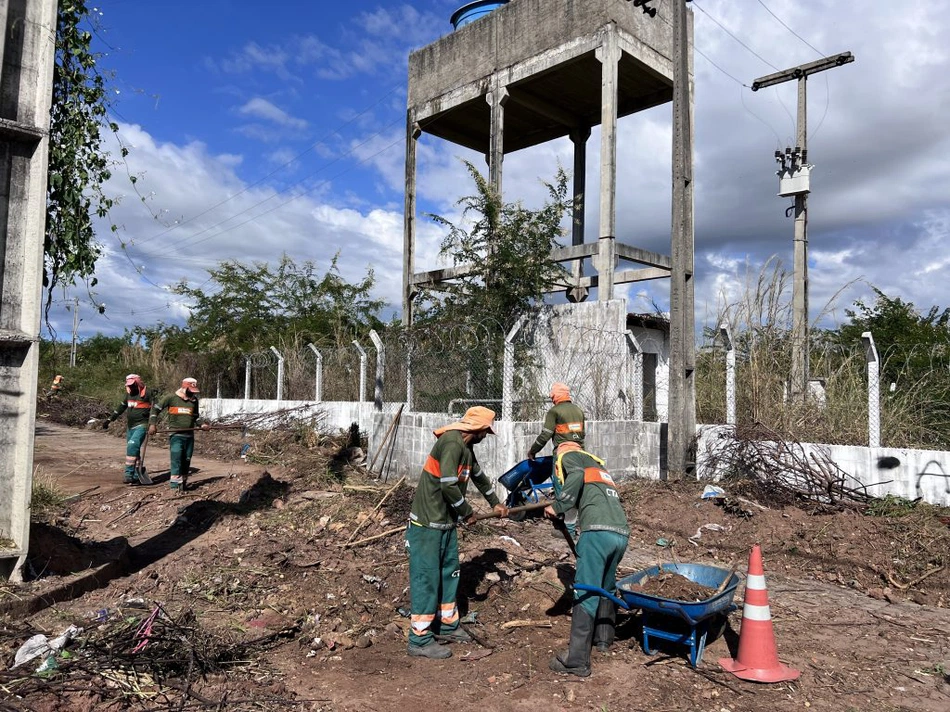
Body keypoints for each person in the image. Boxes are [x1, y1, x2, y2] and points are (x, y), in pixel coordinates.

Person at [406, 406, 508, 659]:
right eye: (486, 431)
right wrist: (467, 511)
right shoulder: (451, 443)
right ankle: (419, 639)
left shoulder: (466, 448)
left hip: (445, 524)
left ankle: (448, 624)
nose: (487, 435)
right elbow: (448, 485)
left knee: (449, 573)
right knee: (427, 579)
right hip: (427, 524)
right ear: (478, 429)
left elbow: (480, 477)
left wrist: (495, 502)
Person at [544, 444, 629, 677]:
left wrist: (558, 505)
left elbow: (576, 479)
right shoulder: (597, 466)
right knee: (605, 585)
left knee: (585, 591)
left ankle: (577, 660)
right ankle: (603, 639)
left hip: (596, 535)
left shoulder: (569, 457)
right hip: (620, 534)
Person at [527, 382, 585, 535]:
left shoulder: (554, 411)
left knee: (561, 488)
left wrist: (533, 451)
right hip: (579, 452)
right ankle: (574, 525)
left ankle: (565, 528)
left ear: (555, 395)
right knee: (574, 488)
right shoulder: (578, 410)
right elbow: (582, 435)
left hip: (562, 454)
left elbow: (545, 434)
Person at [148, 377, 209, 491]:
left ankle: (183, 484)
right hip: (176, 435)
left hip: (189, 436)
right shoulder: (171, 398)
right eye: (190, 390)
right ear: (184, 388)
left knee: (186, 459)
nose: (192, 393)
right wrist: (152, 424)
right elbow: (155, 410)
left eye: (193, 391)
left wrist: (202, 425)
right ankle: (175, 487)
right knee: (177, 458)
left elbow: (196, 417)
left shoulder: (194, 401)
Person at [103, 374, 156, 484]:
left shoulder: (148, 393)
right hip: (130, 426)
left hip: (142, 425)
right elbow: (121, 408)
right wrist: (109, 420)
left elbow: (156, 409)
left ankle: (128, 474)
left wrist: (153, 423)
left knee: (132, 445)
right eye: (129, 386)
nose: (131, 387)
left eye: (133, 385)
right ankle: (137, 474)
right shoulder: (129, 394)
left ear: (138, 383)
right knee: (134, 450)